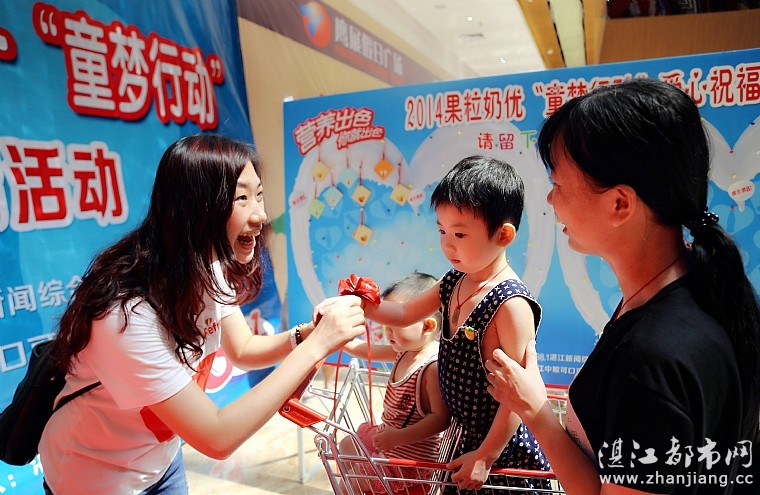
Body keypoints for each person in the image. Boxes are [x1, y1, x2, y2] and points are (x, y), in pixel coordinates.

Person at [38, 134, 366, 495]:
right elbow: (216, 437)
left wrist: (306, 334)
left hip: (161, 461)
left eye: (258, 195)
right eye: (241, 198)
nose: (260, 214)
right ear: (195, 208)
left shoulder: (207, 268)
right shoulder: (125, 316)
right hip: (94, 477)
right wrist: (317, 346)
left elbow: (243, 349)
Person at [485, 78, 760, 495]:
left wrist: (534, 410)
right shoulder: (697, 289)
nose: (551, 201)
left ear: (620, 204)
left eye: (558, 185)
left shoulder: (652, 358)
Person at [317, 155, 551, 494]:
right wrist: (363, 304)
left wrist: (485, 456)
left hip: (499, 454)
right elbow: (404, 313)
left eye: (459, 233)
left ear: (503, 235)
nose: (447, 244)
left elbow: (518, 398)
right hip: (460, 439)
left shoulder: (511, 305)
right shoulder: (454, 280)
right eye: (442, 231)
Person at [337, 272, 450, 494]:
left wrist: (398, 438)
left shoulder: (431, 367)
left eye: (394, 325)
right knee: (346, 445)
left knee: (350, 483)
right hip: (389, 440)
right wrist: (340, 341)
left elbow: (440, 419)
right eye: (385, 325)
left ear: (427, 326)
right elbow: (365, 350)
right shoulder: (405, 349)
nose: (386, 332)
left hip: (408, 461)